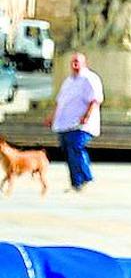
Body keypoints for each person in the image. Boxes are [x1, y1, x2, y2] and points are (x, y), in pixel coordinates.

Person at [45, 52, 104, 192]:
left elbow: (95, 99)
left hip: (81, 124)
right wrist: (52, 117)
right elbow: (60, 101)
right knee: (68, 151)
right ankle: (76, 182)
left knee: (76, 148)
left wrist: (87, 116)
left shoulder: (90, 78)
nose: (74, 64)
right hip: (65, 124)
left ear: (84, 63)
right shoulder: (69, 80)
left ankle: (85, 178)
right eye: (73, 62)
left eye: (77, 61)